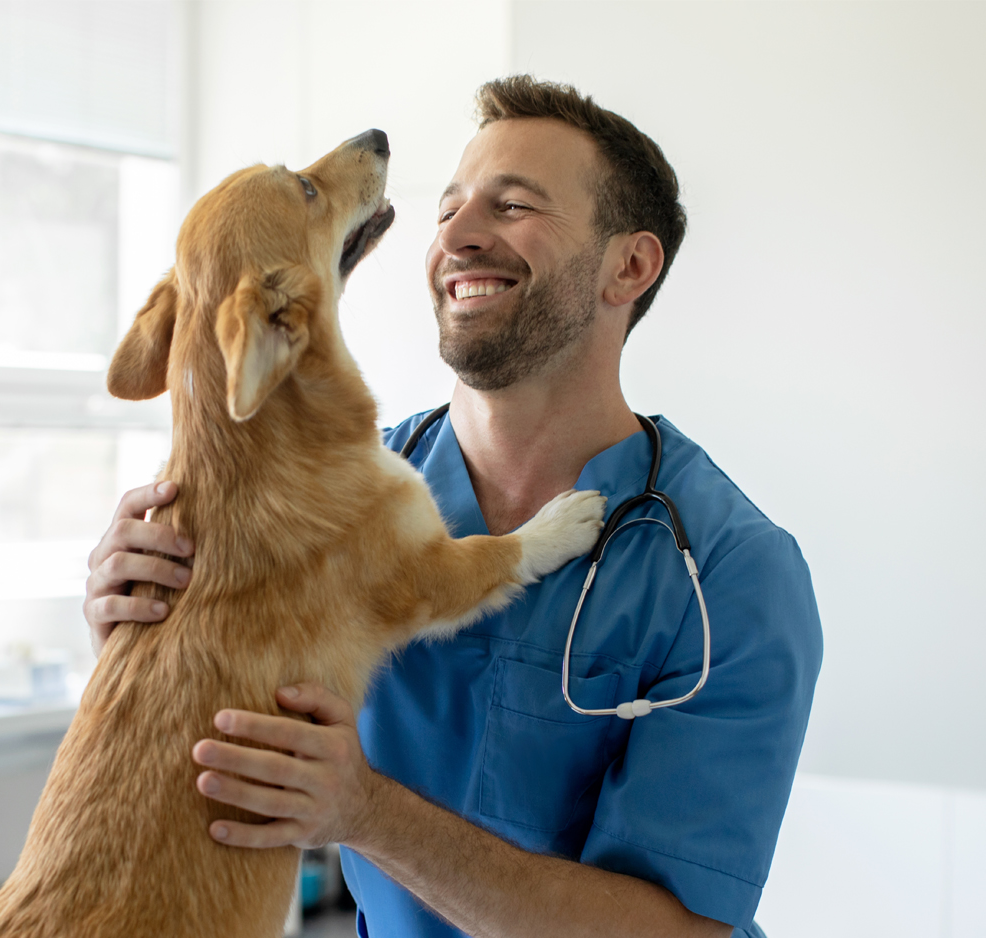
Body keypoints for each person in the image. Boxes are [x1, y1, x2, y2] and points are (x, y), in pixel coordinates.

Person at [82, 76, 822, 938]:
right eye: (447, 210)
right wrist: (147, 636)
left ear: (630, 265)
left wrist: (367, 813)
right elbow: (226, 755)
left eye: (512, 207)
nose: (458, 238)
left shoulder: (731, 573)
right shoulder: (325, 499)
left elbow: (675, 931)